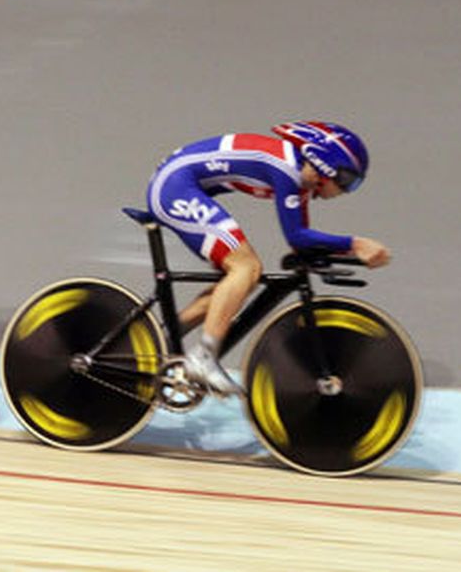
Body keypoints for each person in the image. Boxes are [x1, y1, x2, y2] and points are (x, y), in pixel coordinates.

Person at [145, 121, 391, 396]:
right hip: (174, 186)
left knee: (238, 282)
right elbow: (297, 236)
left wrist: (323, 256)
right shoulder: (285, 168)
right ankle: (203, 356)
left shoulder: (300, 180)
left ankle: (155, 343)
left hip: (181, 182)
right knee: (246, 267)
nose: (345, 191)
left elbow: (301, 242)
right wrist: (355, 244)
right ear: (327, 166)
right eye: (348, 181)